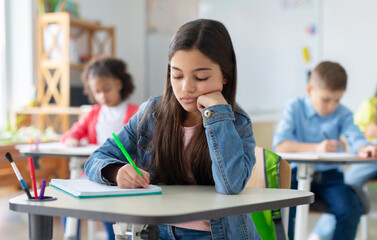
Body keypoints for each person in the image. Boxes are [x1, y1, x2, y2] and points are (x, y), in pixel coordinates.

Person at [84, 19, 261, 240]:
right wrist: (117, 172)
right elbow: (96, 158)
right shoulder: (152, 114)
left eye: (201, 77)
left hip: (216, 235)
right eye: (177, 75)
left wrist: (218, 117)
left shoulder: (237, 122)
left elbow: (231, 185)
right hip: (157, 232)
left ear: (225, 75)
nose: (186, 87)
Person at [273, 61, 377, 240]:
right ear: (309, 90)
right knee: (284, 213)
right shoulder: (294, 108)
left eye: (337, 100)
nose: (332, 106)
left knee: (350, 208)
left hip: (330, 179)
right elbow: (280, 146)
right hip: (295, 175)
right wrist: (316, 148)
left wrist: (364, 147)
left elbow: (355, 137)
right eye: (326, 99)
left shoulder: (343, 114)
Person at [60, 56, 138, 240]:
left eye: (107, 89)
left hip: (122, 176)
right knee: (67, 203)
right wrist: (72, 139)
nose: (102, 96)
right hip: (93, 174)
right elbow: (72, 133)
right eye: (97, 92)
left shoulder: (135, 112)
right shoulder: (93, 113)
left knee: (109, 212)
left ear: (119, 84)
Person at [309, 86, 377, 240]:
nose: (332, 105)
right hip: (371, 157)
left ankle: (320, 234)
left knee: (346, 190)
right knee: (347, 188)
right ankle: (320, 234)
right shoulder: (370, 104)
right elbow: (356, 134)